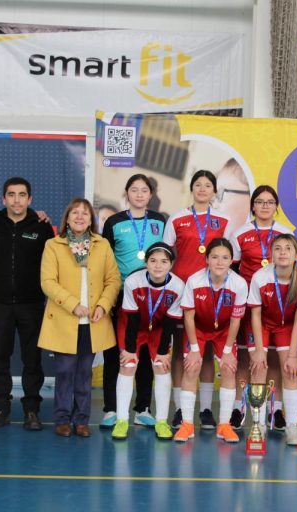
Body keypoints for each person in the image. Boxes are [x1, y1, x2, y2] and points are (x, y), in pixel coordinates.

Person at [38, 198, 121, 437]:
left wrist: (104, 306)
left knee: (85, 373)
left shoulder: (102, 244)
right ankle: (63, 419)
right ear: (67, 217)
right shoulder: (54, 245)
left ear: (91, 220)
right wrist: (73, 305)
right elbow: (48, 282)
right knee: (65, 372)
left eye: (85, 213)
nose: (80, 217)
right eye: (75, 212)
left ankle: (82, 419)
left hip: (93, 321)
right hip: (65, 319)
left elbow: (113, 280)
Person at [0, 177, 54, 431]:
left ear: (30, 199)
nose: (16, 200)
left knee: (32, 358)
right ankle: (0, 408)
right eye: (11, 195)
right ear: (3, 199)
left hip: (31, 303)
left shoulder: (41, 225)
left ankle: (31, 410)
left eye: (22, 195)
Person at [163, 170, 233, 430]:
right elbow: (166, 254)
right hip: (182, 292)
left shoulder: (224, 220)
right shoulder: (177, 219)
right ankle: (181, 409)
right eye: (198, 185)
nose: (203, 189)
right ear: (191, 189)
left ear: (214, 191)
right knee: (183, 351)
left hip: (213, 294)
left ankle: (204, 409)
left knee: (206, 353)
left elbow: (228, 258)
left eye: (208, 185)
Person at [100, 174, 167, 430]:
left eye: (144, 190)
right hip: (120, 294)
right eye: (134, 190)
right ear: (126, 193)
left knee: (145, 352)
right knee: (115, 352)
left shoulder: (160, 221)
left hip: (152, 297)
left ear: (151, 195)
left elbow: (168, 256)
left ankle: (142, 408)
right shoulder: (115, 222)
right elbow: (105, 260)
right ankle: (111, 408)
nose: (139, 194)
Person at [230, 185, 293, 431]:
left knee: (275, 359)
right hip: (249, 305)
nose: (265, 206)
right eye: (260, 201)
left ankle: (274, 410)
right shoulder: (240, 234)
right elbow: (233, 270)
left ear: (276, 207)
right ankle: (239, 405)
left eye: (269, 202)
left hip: (277, 305)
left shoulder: (285, 234)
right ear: (253, 206)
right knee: (247, 356)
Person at [174, 238, 247, 444]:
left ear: (232, 260)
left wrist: (226, 351)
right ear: (206, 259)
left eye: (225, 258)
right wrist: (195, 349)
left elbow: (235, 320)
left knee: (228, 368)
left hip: (224, 330)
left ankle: (224, 425)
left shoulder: (239, 283)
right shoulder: (194, 281)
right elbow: (188, 317)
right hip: (198, 328)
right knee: (191, 367)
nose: (219, 262)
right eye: (214, 257)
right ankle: (187, 424)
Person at [112, 242, 184, 441]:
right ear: (146, 263)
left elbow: (170, 322)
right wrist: (129, 349)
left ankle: (161, 421)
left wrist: (162, 351)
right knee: (128, 365)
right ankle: (122, 421)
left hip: (159, 328)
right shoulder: (133, 281)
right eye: (153, 261)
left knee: (162, 366)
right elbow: (132, 318)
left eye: (163, 261)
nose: (158, 266)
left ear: (171, 264)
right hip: (132, 326)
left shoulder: (178, 286)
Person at [247, 234, 297, 446]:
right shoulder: (260, 276)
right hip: (262, 323)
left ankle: (292, 426)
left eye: (288, 248)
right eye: (278, 248)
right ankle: (259, 425)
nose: (282, 252)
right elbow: (255, 315)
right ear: (271, 253)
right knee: (258, 369)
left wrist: (292, 355)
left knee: (290, 370)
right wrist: (258, 349)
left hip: (287, 325)